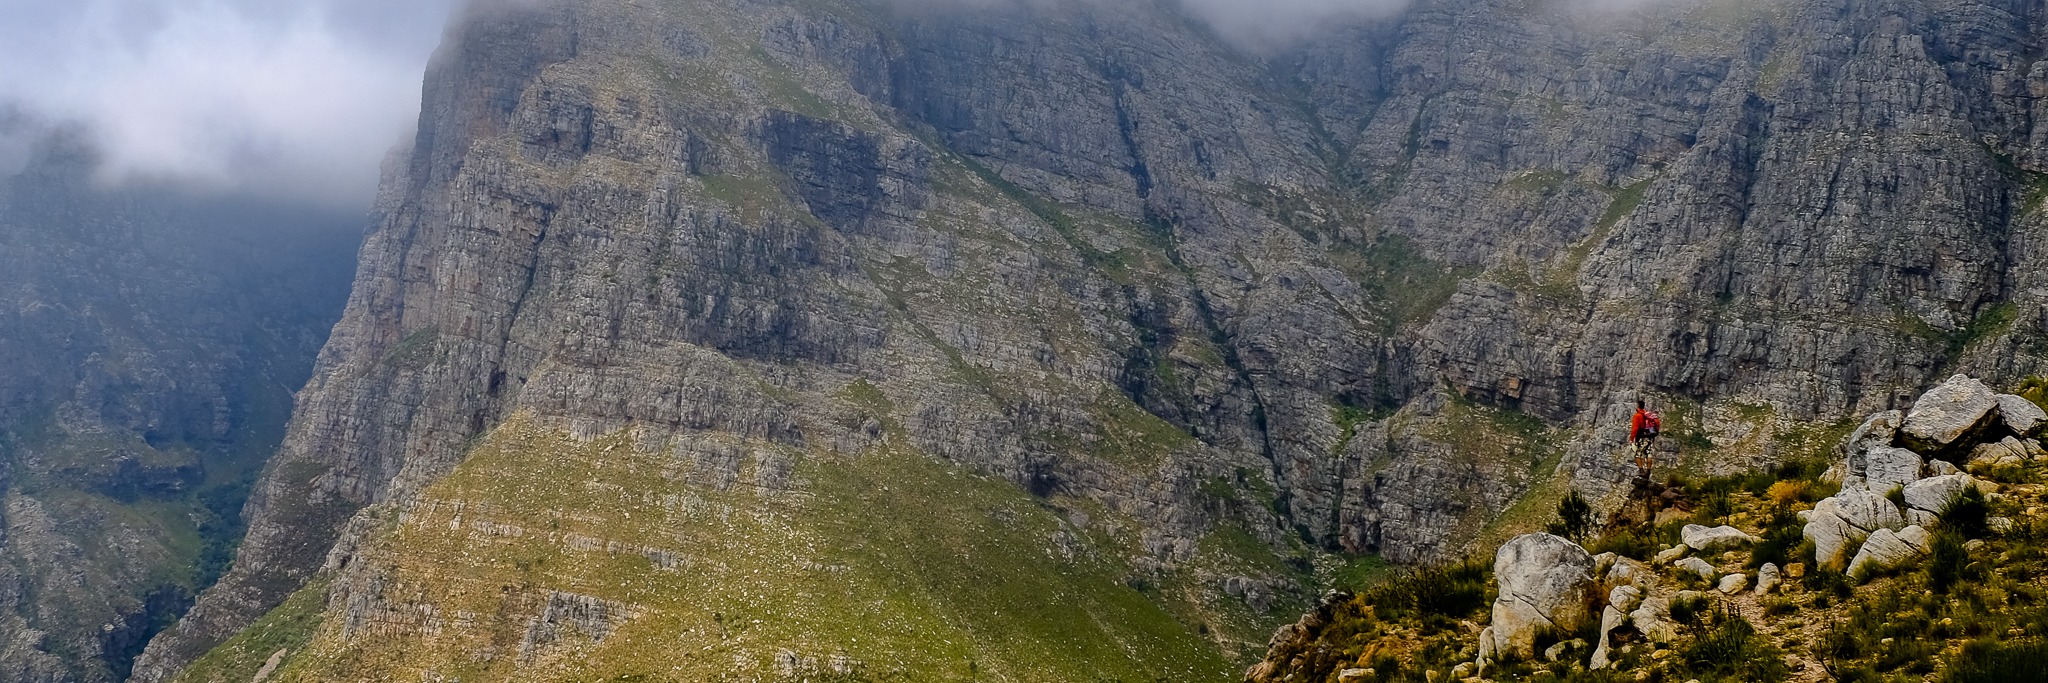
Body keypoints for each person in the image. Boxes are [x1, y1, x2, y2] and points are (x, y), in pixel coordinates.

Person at [1629, 399, 1661, 476]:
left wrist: (1631, 438)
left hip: (1641, 437)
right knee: (1648, 454)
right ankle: (1648, 471)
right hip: (1650, 437)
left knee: (1637, 453)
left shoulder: (1637, 416)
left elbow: (1635, 429)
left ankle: (1641, 471)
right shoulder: (1647, 415)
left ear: (1637, 407)